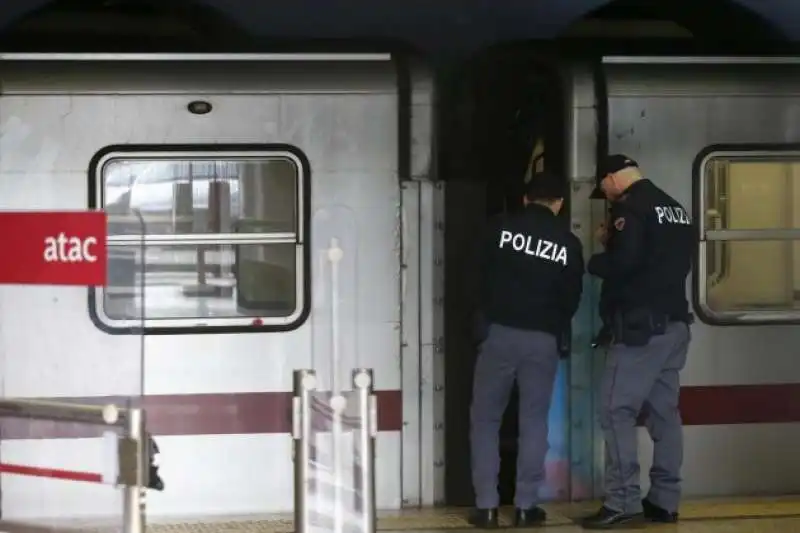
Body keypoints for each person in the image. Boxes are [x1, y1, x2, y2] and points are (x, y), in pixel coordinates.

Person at [582, 155, 694, 530]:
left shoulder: (630, 208)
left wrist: (597, 257)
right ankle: (664, 501)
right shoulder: (675, 207)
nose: (606, 195)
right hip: (675, 324)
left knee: (616, 411)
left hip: (640, 329)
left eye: (604, 187)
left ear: (612, 178)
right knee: (665, 415)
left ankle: (623, 501)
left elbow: (625, 263)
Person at [469, 172, 584, 529]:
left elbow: (477, 277)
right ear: (559, 204)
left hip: (499, 334)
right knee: (533, 422)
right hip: (541, 340)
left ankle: (486, 507)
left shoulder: (497, 229)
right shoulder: (568, 243)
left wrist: (483, 322)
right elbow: (571, 299)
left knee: (486, 420)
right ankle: (525, 506)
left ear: (525, 199)